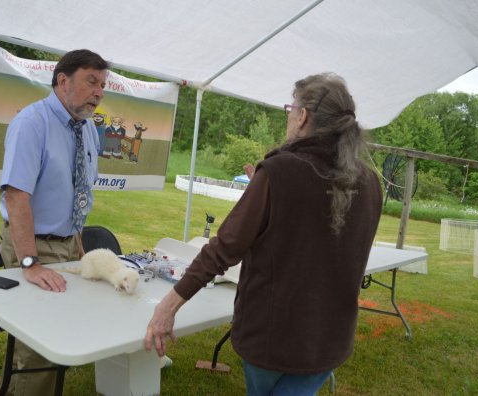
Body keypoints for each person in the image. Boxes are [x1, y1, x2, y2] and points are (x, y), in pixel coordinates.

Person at [144, 73, 383, 396]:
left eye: (290, 108)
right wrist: (268, 191)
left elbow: (223, 249)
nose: (288, 116)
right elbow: (328, 244)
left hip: (275, 340)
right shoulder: (370, 182)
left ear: (303, 117)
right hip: (330, 340)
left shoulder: (280, 172)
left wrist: (167, 307)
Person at [0, 49, 108, 396]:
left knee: (50, 336)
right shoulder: (31, 124)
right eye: (92, 81)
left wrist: (77, 244)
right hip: (31, 246)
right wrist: (30, 263)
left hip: (69, 245)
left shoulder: (87, 130)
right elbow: (17, 197)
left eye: (103, 85)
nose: (99, 92)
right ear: (63, 80)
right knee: (39, 346)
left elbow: (78, 191)